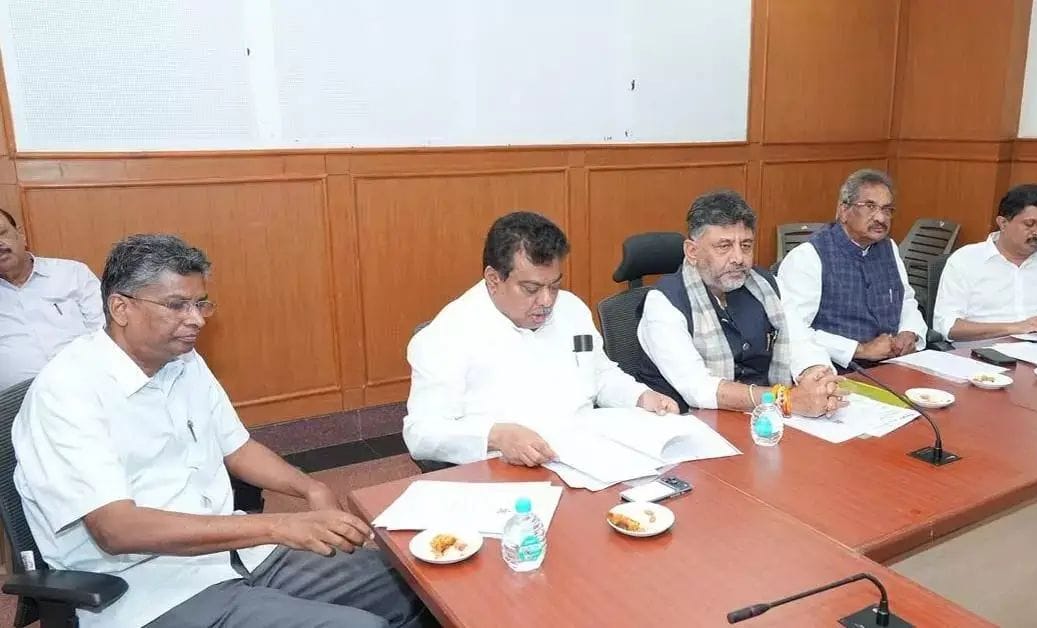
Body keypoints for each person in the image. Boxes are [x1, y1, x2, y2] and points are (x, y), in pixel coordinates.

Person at [13, 234, 433, 628]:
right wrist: (277, 526)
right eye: (177, 305)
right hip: (148, 588)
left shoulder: (183, 361)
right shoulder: (68, 391)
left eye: (201, 304)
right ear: (121, 308)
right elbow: (116, 529)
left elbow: (237, 447)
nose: (196, 319)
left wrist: (310, 488)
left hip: (236, 553)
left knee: (420, 585)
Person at [404, 211, 678, 467]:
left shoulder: (571, 310)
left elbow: (600, 374)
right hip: (505, 471)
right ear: (493, 279)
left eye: (554, 286)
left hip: (586, 455)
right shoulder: (446, 336)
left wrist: (640, 396)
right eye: (531, 288)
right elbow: (421, 433)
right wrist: (495, 435)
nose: (547, 301)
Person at [636, 190, 845, 415]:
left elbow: (802, 342)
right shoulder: (663, 303)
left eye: (745, 245)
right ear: (692, 251)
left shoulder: (767, 286)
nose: (738, 258)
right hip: (687, 421)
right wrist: (786, 399)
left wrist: (817, 380)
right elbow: (698, 388)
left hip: (761, 418)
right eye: (724, 246)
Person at [777, 169, 927, 367]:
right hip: (837, 370)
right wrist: (860, 349)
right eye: (870, 207)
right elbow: (793, 331)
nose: (881, 218)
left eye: (886, 209)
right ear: (844, 210)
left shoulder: (889, 248)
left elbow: (906, 300)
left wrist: (910, 331)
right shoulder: (808, 257)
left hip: (894, 365)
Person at [933, 184, 1037, 345]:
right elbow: (948, 327)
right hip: (980, 353)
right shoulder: (966, 260)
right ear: (1003, 223)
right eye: (1029, 224)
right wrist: (1014, 328)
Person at [0, 207, 103, 389]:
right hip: (18, 399)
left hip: (88, 384)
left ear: (21, 235)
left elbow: (107, 331)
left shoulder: (73, 273)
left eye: (2, 233)